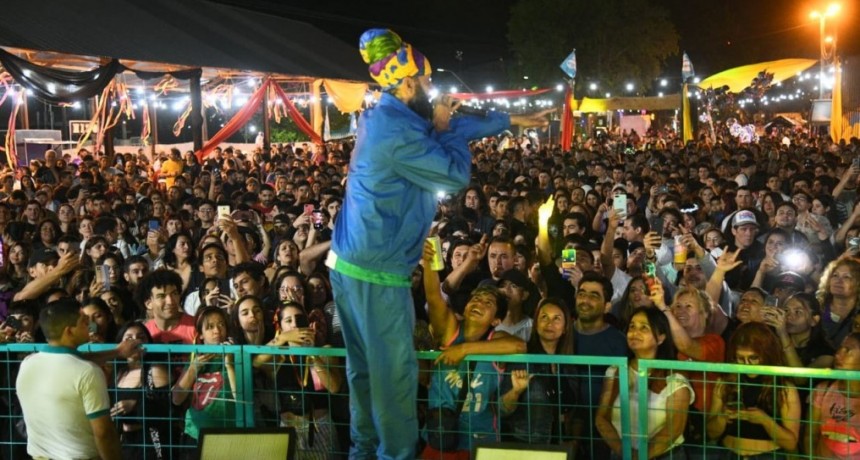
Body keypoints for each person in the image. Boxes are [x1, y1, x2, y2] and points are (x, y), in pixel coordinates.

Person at [327, 28, 547, 459]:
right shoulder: (396, 133)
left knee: (365, 375)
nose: (433, 91)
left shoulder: (387, 116)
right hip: (377, 273)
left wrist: (506, 121)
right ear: (408, 82)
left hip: (352, 268)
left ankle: (363, 452)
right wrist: (446, 126)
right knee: (393, 378)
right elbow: (453, 173)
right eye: (427, 82)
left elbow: (446, 125)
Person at [16, 298, 124, 460]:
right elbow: (103, 433)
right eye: (83, 321)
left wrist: (117, 352)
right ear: (69, 331)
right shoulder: (88, 372)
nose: (89, 324)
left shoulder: (27, 363)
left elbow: (68, 360)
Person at [595, 307, 693, 460]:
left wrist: (641, 456)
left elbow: (674, 429)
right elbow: (601, 418)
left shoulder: (674, 378)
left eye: (644, 328)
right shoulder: (615, 371)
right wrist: (623, 451)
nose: (635, 332)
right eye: (632, 326)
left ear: (661, 337)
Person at [707, 322, 801, 458]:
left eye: (753, 358)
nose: (747, 364)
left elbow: (791, 444)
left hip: (767, 455)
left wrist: (764, 420)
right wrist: (722, 417)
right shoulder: (725, 382)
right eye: (740, 358)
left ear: (767, 354)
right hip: (728, 453)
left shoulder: (784, 388)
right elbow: (710, 433)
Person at [171, 306, 237, 459]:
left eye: (221, 325)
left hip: (227, 434)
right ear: (200, 334)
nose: (217, 331)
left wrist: (229, 364)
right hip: (195, 434)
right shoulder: (195, 360)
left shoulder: (235, 357)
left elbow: (239, 395)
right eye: (210, 327)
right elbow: (176, 398)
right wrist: (193, 369)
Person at [808, 332, 860, 459]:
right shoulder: (823, 389)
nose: (837, 355)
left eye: (847, 351)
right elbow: (810, 435)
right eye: (839, 348)